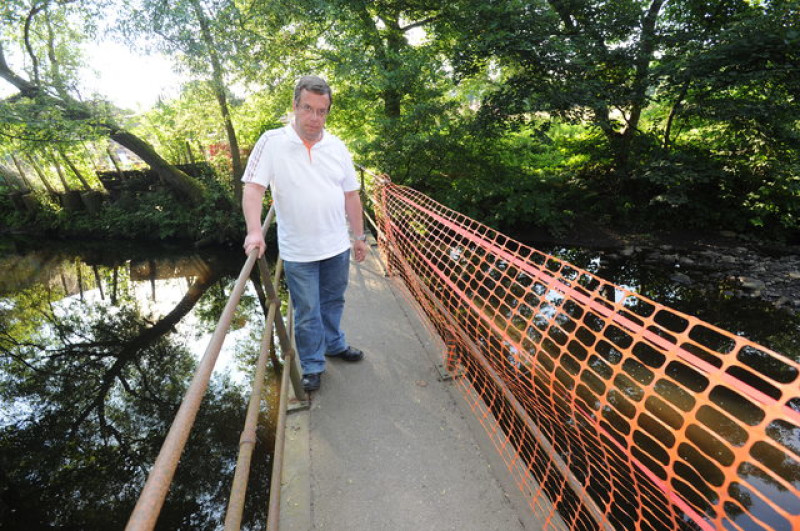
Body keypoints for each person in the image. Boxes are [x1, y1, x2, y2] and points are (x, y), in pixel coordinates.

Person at [241, 75, 367, 392]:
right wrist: (255, 231)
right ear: (295, 106)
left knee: (333, 301)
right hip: (299, 251)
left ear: (327, 112)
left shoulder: (337, 146)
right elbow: (253, 188)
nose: (314, 118)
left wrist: (359, 237)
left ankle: (335, 344)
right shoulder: (272, 142)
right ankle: (312, 365)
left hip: (337, 246)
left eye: (321, 111)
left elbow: (351, 194)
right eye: (307, 108)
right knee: (308, 312)